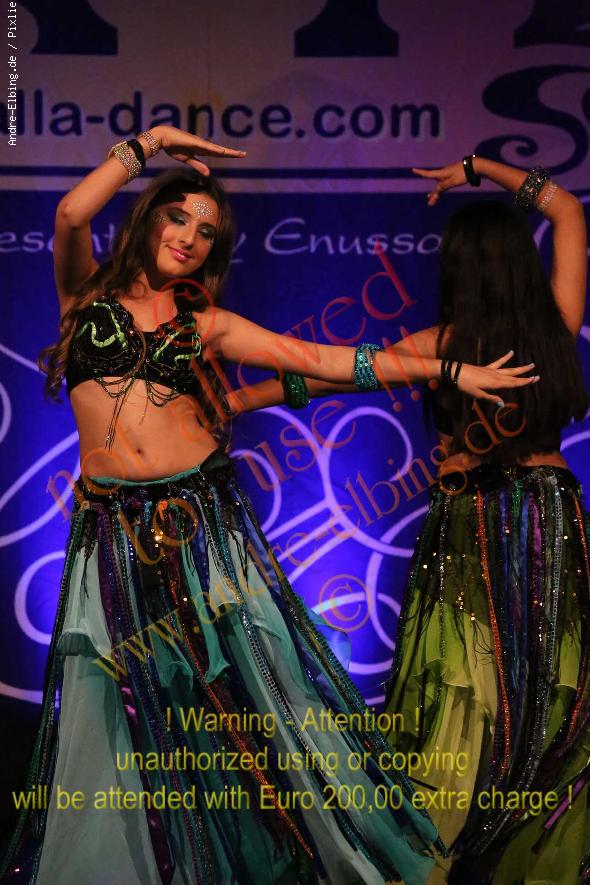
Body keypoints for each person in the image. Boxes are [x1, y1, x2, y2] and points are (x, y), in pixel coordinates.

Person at [0, 127, 537, 885]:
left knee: (252, 691)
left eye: (205, 232)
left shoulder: (206, 324)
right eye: (177, 217)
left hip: (203, 524)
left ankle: (302, 854)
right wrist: (150, 141)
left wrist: (445, 369)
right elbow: (69, 213)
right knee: (130, 706)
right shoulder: (82, 297)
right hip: (114, 535)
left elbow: (322, 361)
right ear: (148, 218)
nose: (188, 237)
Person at [233, 156, 589, 885]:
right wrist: (477, 168)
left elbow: (332, 375)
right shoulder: (557, 325)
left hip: (471, 524)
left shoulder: (440, 347)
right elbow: (568, 209)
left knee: (460, 693)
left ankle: (427, 861)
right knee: (555, 687)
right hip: (549, 520)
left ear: (457, 272)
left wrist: (239, 400)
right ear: (523, 265)